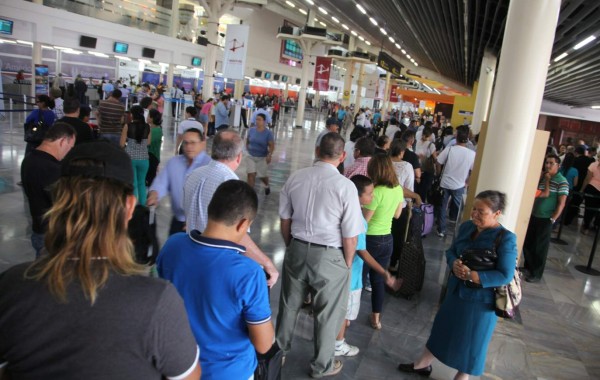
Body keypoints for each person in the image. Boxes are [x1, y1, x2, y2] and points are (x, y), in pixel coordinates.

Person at [0, 141, 201, 379]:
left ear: (58, 202)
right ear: (128, 207)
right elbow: (188, 376)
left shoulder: (12, 286)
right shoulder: (157, 300)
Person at [158, 180, 274, 379]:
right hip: (228, 372)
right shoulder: (249, 273)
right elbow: (263, 345)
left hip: (177, 366)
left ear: (211, 209)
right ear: (243, 224)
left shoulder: (173, 245)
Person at [398, 190, 517, 380]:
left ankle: (463, 376)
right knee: (442, 327)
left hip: (480, 301)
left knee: (473, 341)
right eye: (474, 210)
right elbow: (451, 251)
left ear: (497, 213)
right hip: (456, 291)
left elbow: (505, 274)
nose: (475, 215)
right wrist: (453, 262)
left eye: (482, 212)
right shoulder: (467, 227)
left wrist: (474, 275)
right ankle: (423, 363)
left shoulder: (506, 238)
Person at [277, 132, 364, 378]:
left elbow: (285, 219)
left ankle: (278, 353)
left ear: (317, 151)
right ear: (343, 155)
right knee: (328, 313)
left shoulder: (296, 177)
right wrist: (347, 263)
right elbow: (350, 235)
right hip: (330, 256)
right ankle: (321, 365)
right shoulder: (345, 186)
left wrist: (291, 246)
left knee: (289, 305)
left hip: (297, 248)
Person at [183, 129, 279, 286]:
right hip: (216, 267)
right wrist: (267, 263)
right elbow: (239, 236)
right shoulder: (232, 186)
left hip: (189, 257)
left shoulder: (193, 175)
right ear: (239, 156)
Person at [335, 175, 401, 357]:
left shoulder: (342, 210)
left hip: (338, 270)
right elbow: (361, 251)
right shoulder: (358, 219)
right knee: (345, 317)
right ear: (357, 195)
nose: (373, 197)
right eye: (370, 194)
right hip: (352, 276)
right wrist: (383, 272)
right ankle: (338, 344)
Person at [21, 122, 76, 257]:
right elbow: (64, 204)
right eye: (71, 147)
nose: (69, 151)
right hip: (52, 234)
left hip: (39, 227)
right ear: (63, 141)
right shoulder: (51, 169)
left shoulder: (29, 159)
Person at [363, 154, 404, 330]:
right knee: (378, 280)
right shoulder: (398, 189)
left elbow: (365, 221)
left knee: (358, 279)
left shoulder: (376, 192)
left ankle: (347, 318)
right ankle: (376, 319)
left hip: (369, 241)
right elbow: (397, 215)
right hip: (387, 239)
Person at [148, 128, 210, 235]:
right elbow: (161, 182)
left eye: (193, 143)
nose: (189, 147)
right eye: (186, 143)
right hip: (177, 222)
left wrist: (196, 221)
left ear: (202, 144)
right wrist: (155, 193)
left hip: (201, 226)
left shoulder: (210, 165)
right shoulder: (174, 162)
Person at [522, 154, 568, 283]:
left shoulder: (562, 181)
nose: (548, 165)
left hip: (546, 218)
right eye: (547, 163)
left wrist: (553, 219)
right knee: (529, 242)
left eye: (551, 163)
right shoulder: (544, 178)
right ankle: (528, 267)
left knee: (540, 247)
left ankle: (536, 273)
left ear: (558, 165)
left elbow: (562, 202)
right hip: (534, 215)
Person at [435, 127, 476, 237]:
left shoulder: (450, 149)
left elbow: (438, 162)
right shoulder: (472, 154)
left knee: (443, 207)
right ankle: (460, 230)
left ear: (456, 137)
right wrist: (467, 182)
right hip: (460, 185)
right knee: (459, 208)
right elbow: (473, 171)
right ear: (467, 139)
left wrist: (439, 173)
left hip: (445, 183)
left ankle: (441, 230)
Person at [121, 105, 152, 206]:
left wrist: (128, 143)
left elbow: (121, 144)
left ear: (132, 115)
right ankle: (143, 206)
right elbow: (148, 142)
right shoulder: (148, 127)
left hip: (130, 158)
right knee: (141, 183)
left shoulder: (128, 126)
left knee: (133, 184)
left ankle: (133, 207)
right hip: (144, 159)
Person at [246, 113, 275, 195]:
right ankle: (250, 194)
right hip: (251, 156)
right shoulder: (251, 130)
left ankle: (266, 185)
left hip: (262, 157)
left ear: (264, 121)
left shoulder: (268, 133)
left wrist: (269, 155)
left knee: (262, 175)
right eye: (256, 119)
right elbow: (247, 140)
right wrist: (248, 148)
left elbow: (271, 146)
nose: (257, 121)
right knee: (251, 174)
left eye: (259, 120)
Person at [579, 150, 600, 234]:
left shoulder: (593, 165)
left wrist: (582, 189)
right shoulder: (593, 165)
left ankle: (586, 227)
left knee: (589, 209)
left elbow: (587, 179)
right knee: (597, 210)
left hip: (592, 188)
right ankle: (595, 225)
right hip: (595, 189)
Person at [146, 109, 163, 186]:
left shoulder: (155, 131)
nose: (147, 117)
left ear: (152, 118)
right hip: (151, 156)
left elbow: (147, 143)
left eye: (148, 115)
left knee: (150, 181)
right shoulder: (154, 129)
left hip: (152, 157)